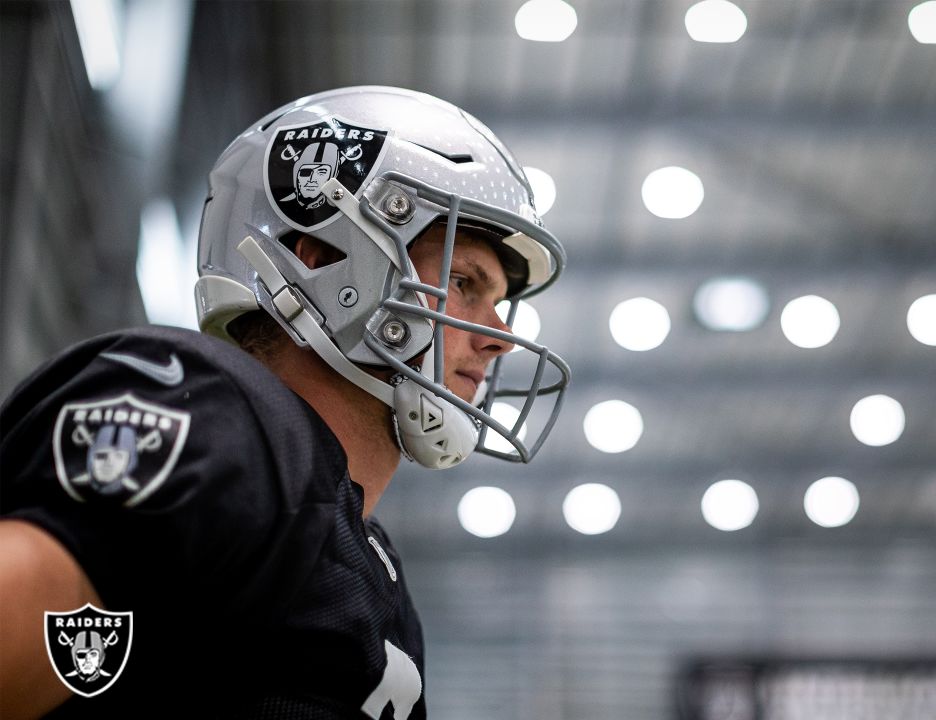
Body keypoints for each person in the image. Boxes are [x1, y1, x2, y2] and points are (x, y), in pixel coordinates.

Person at [0, 86, 569, 718]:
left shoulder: (368, 553)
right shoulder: (226, 421)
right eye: (462, 282)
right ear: (327, 262)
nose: (499, 340)